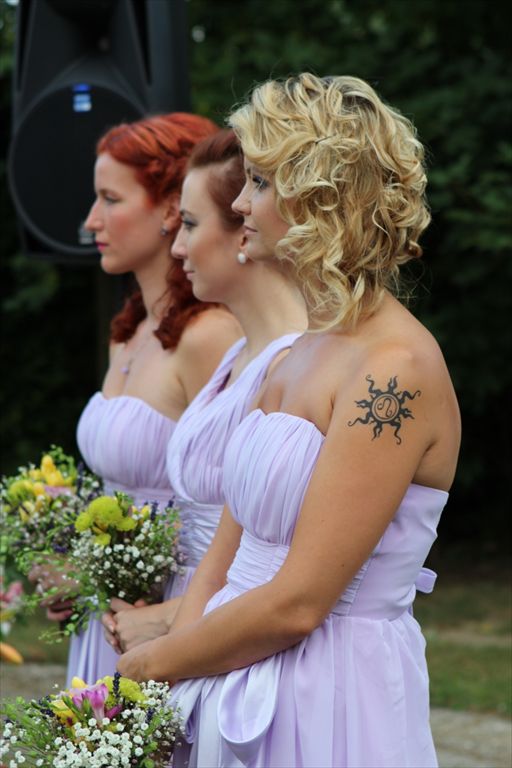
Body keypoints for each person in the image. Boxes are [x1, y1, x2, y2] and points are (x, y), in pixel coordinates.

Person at [117, 74, 461, 768]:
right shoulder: (294, 351)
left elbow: (300, 603)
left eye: (261, 182)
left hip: (331, 696)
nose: (241, 203)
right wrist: (167, 696)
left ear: (321, 198)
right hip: (225, 672)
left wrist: (150, 666)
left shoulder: (396, 370)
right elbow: (224, 558)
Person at [31, 112, 242, 686]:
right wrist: (79, 572)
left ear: (171, 208)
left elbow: (236, 498)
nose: (90, 221)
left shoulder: (211, 337)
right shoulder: (127, 333)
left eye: (110, 199)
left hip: (171, 608)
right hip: (111, 611)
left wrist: (156, 602)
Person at [101, 128, 308, 654]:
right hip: (188, 613)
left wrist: (168, 621)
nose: (176, 247)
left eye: (190, 225)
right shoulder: (237, 356)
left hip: (226, 631)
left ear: (244, 231)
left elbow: (290, 556)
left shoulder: (292, 361)